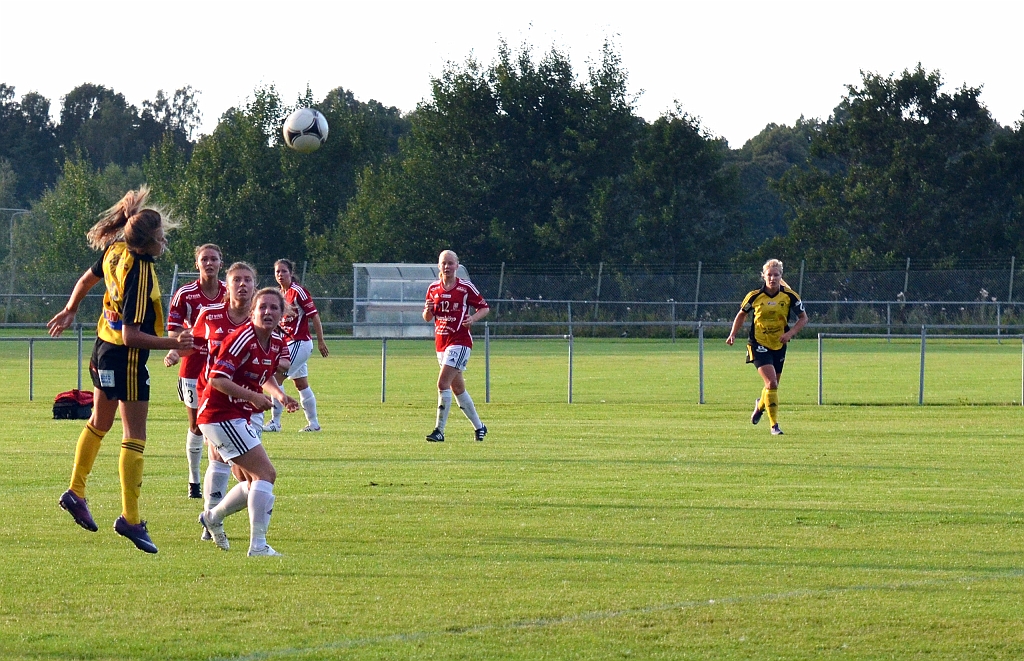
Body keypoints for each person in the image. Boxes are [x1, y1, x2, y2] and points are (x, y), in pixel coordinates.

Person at [48, 186, 193, 554]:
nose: (164, 242)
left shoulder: (116, 249)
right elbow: (132, 335)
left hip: (102, 349)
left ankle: (75, 491)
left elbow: (85, 280)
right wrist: (175, 343)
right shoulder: (140, 269)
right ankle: (130, 519)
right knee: (135, 435)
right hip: (124, 357)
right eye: (161, 237)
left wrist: (70, 309)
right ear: (147, 244)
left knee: (99, 422)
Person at [197, 287, 298, 556]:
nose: (267, 312)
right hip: (219, 415)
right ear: (252, 311)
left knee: (252, 480)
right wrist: (254, 397)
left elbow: (265, 376)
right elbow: (217, 379)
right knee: (266, 474)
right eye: (262, 307)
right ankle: (258, 546)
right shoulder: (242, 338)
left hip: (234, 416)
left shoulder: (275, 342)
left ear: (282, 314)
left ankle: (213, 517)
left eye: (274, 308)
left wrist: (281, 396)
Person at [187, 262, 265, 543]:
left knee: (248, 473)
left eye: (248, 280)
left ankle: (214, 517)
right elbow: (192, 346)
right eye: (237, 280)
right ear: (227, 285)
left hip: (249, 403)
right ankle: (212, 517)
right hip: (215, 398)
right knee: (221, 460)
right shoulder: (209, 314)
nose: (242, 285)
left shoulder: (258, 319)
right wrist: (174, 351)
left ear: (254, 286)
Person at [164, 244, 226, 499]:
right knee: (197, 426)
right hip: (192, 368)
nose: (209, 263)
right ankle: (194, 480)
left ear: (221, 263)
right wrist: (177, 348)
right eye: (204, 259)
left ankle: (218, 475)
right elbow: (173, 331)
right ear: (197, 264)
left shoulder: (228, 292)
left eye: (214, 259)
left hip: (222, 368)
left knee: (217, 423)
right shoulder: (185, 294)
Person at [726, 258, 808, 435]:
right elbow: (741, 315)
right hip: (758, 343)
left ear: (781, 276)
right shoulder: (754, 296)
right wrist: (733, 333)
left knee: (773, 385)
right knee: (771, 382)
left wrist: (789, 334)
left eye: (776, 275)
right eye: (769, 275)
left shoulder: (789, 296)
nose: (772, 278)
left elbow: (803, 318)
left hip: (778, 344)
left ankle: (760, 405)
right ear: (763, 276)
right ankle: (774, 426)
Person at [423, 250, 489, 442]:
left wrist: (472, 318)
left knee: (442, 383)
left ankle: (439, 430)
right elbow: (428, 318)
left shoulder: (465, 287)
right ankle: (480, 427)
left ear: (457, 266)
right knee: (457, 389)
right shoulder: (433, 288)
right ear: (438, 266)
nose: (447, 267)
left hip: (459, 342)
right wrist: (427, 311)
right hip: (441, 344)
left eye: (451, 263)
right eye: (444, 263)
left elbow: (484, 307)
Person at [263, 258, 328, 433]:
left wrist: (321, 341)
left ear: (291, 273)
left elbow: (314, 316)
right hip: (288, 345)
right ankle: (314, 424)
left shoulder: (298, 292)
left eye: (284, 271)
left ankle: (275, 422)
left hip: (299, 342)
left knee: (275, 379)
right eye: (277, 271)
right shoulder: (277, 294)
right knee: (301, 384)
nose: (280, 274)